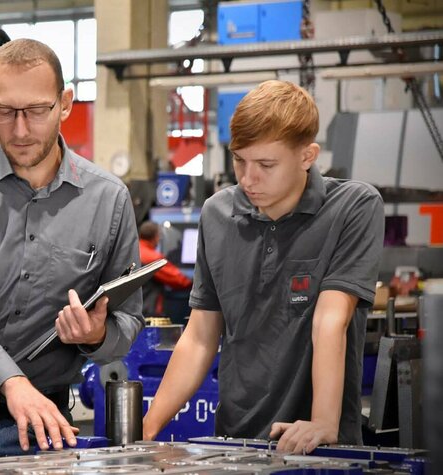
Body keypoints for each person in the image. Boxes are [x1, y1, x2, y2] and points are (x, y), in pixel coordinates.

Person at [0, 38, 143, 463]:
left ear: (65, 103)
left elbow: (129, 319)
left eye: (36, 111)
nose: (19, 130)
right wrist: (14, 385)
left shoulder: (108, 200)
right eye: (4, 112)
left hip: (43, 431)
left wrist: (97, 335)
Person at [142, 80, 384, 454]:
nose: (247, 179)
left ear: (308, 156)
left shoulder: (352, 207)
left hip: (314, 447)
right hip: (233, 445)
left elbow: (330, 321)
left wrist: (322, 422)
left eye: (265, 165)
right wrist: (146, 430)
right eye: (239, 160)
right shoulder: (217, 214)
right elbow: (200, 337)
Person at [137, 221, 192, 317]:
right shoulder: (152, 258)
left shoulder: (133, 251)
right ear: (156, 237)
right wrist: (194, 282)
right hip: (147, 314)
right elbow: (179, 280)